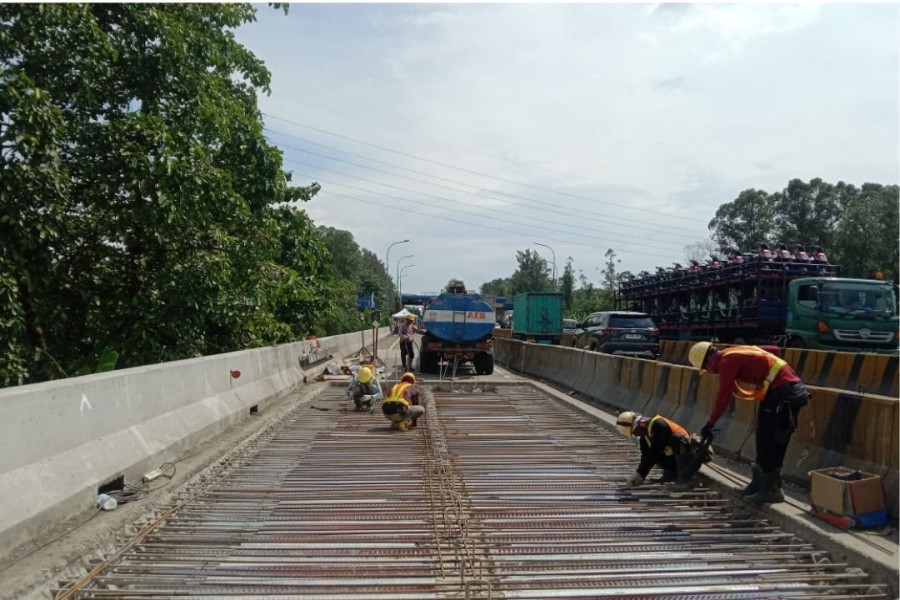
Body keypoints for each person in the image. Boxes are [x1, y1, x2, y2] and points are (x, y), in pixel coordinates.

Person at [689, 342, 809, 504]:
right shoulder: (733, 351)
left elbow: (724, 396)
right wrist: (767, 374)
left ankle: (771, 490)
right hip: (780, 390)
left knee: (769, 440)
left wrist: (710, 424)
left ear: (707, 362)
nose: (711, 372)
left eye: (707, 370)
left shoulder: (726, 362)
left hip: (784, 393)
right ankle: (759, 485)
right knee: (763, 436)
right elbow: (775, 350)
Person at [616, 411, 705, 489]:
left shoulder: (658, 425)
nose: (636, 435)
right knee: (651, 455)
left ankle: (686, 480)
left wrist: (640, 473)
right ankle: (672, 475)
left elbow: (656, 450)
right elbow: (646, 458)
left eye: (635, 432)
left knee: (675, 440)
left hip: (691, 456)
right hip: (676, 459)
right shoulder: (645, 439)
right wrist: (640, 475)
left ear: (640, 424)